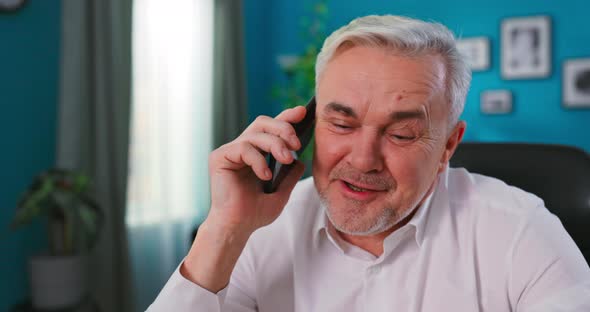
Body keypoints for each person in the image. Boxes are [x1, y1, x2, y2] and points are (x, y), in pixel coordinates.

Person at [148, 15, 590, 311]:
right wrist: (224, 230)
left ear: (448, 147)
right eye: (340, 123)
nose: (362, 158)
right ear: (306, 126)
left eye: (400, 134)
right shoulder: (260, 232)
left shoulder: (519, 229)